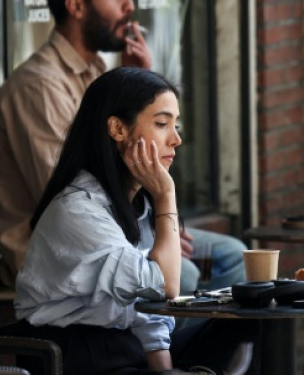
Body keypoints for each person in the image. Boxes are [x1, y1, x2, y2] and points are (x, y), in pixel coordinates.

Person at [0, 0, 246, 293]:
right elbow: (68, 191)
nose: (129, 5)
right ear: (76, 6)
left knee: (232, 255)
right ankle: (161, 331)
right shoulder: (39, 87)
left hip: (122, 223)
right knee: (184, 275)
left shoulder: (97, 70)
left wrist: (140, 87)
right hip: (63, 250)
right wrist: (159, 222)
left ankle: (187, 330)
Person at [14, 67, 252, 374]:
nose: (176, 139)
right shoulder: (77, 209)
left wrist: (165, 371)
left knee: (249, 321)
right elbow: (165, 285)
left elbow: (149, 315)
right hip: (79, 357)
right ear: (118, 129)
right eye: (162, 124)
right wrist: (166, 194)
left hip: (127, 351)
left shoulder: (135, 204)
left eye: (176, 125)